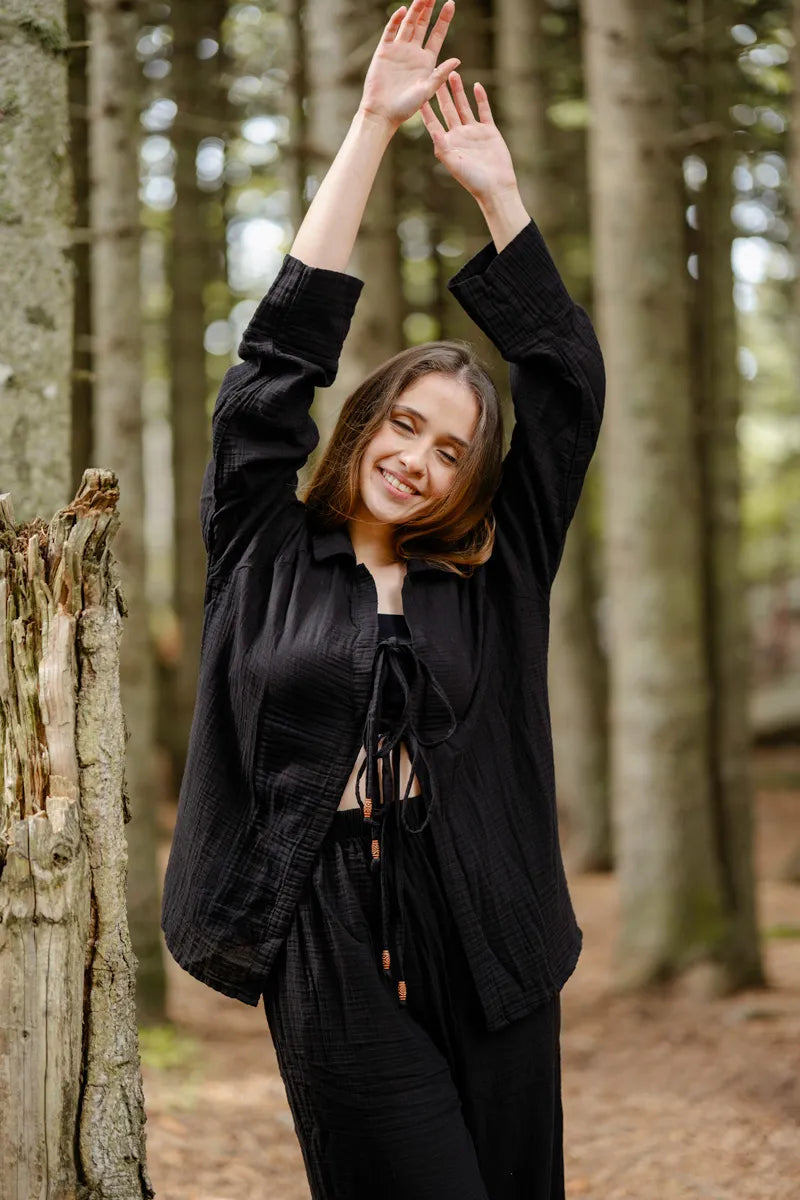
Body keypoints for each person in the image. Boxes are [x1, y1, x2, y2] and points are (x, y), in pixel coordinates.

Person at [160, 1, 605, 1197]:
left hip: (488, 924)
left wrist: (499, 199)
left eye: (452, 449)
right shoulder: (261, 547)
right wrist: (368, 126)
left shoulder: (492, 573)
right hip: (324, 924)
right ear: (364, 424)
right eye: (403, 422)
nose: (418, 456)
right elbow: (271, 370)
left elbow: (565, 388)